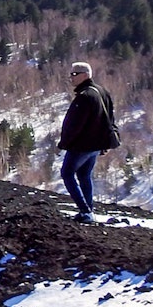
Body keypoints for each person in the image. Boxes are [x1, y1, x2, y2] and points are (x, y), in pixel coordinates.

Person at [57, 61, 115, 223]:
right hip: (95, 146)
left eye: (74, 74)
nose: (71, 78)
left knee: (67, 173)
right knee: (84, 175)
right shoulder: (102, 92)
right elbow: (110, 118)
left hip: (82, 145)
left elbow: (74, 125)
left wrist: (64, 143)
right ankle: (88, 210)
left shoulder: (84, 97)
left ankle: (85, 211)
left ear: (85, 75)